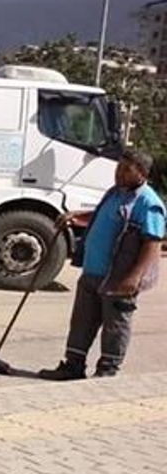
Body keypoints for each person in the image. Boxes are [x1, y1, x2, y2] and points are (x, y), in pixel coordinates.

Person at [40, 149, 163, 381]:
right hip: (92, 271)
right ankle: (73, 366)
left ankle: (107, 370)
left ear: (142, 174)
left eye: (126, 170)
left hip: (119, 277)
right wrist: (76, 216)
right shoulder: (115, 192)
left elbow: (152, 242)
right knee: (82, 321)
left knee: (115, 325)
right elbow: (102, 215)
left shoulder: (148, 203)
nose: (119, 173)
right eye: (118, 167)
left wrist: (134, 277)